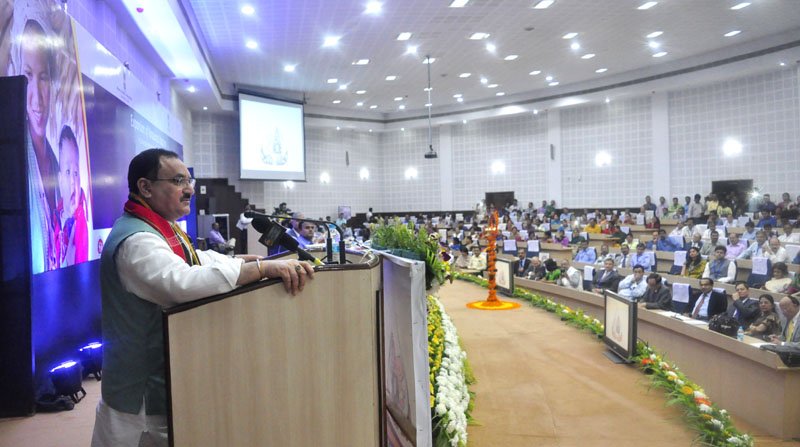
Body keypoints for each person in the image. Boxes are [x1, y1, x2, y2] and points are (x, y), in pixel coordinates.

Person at [91, 149, 314, 446]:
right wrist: (261, 268)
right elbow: (182, 282)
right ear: (145, 187)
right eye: (179, 180)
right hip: (139, 395)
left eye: (190, 180)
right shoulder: (137, 239)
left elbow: (194, 259)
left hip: (163, 377)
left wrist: (242, 262)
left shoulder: (159, 225)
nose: (190, 189)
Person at [20, 19, 60, 273]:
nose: (36, 94)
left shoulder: (57, 162)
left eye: (44, 77)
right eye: (27, 76)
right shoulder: (15, 161)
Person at [56, 125, 88, 266]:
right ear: (60, 179)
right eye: (68, 172)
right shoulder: (54, 219)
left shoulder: (83, 220)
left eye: (76, 173)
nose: (73, 181)